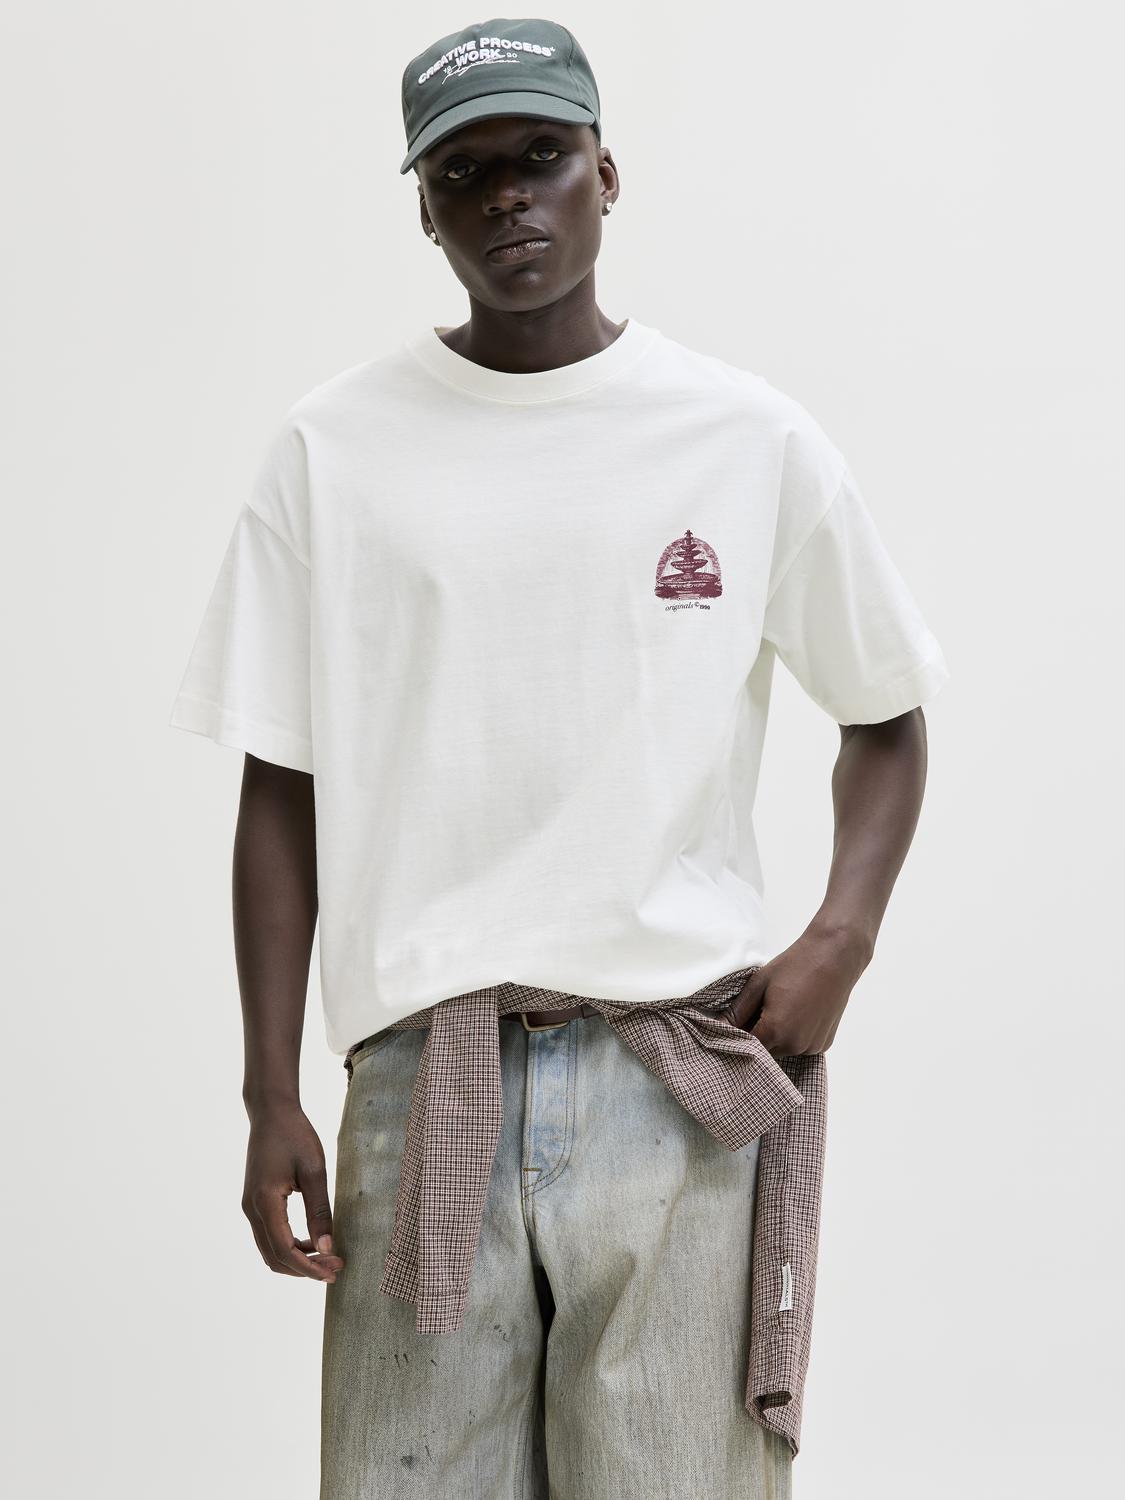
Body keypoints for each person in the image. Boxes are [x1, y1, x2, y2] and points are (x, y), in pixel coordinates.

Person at [169, 16, 949, 1499]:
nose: (507, 198)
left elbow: (887, 709)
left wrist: (841, 937)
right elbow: (281, 783)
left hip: (676, 1076)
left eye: (541, 156)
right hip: (425, 1076)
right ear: (424, 209)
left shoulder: (743, 436)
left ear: (608, 172)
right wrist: (269, 1091)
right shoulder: (333, 450)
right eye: (462, 174)